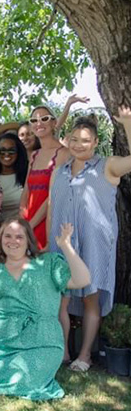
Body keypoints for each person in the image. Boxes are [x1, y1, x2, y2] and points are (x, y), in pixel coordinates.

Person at [0, 220, 90, 400]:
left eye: (19, 236)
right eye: (7, 236)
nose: (12, 241)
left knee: (25, 381)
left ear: (28, 241)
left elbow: (83, 280)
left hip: (42, 339)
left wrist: (66, 246)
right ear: (0, 240)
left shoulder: (48, 263)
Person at [48, 110, 131, 371]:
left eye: (85, 140)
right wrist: (49, 242)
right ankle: (62, 352)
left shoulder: (107, 166)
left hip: (94, 243)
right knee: (60, 297)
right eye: (74, 139)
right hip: (62, 242)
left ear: (95, 142)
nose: (78, 145)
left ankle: (84, 355)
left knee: (90, 297)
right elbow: (52, 207)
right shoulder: (59, 171)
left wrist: (127, 122)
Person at [21, 106, 70, 250]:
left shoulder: (64, 153)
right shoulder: (34, 155)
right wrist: (22, 218)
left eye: (44, 119)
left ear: (54, 123)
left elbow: (53, 196)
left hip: (49, 221)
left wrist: (31, 224)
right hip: (28, 221)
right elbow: (26, 189)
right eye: (34, 120)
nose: (39, 123)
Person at [0, 133, 28, 222]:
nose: (6, 154)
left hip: (21, 228)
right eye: (2, 150)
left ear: (19, 152)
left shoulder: (28, 174)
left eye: (11, 151)